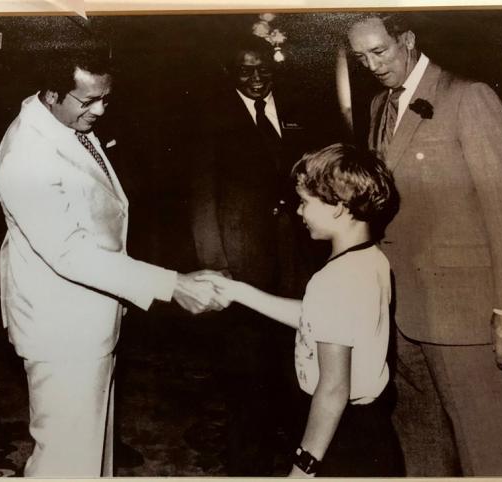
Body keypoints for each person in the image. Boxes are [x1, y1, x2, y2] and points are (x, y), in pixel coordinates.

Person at [0, 51, 221, 477]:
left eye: (105, 98)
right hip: (62, 329)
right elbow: (70, 252)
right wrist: (172, 284)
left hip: (85, 320)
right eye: (88, 100)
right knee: (65, 462)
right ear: (50, 93)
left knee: (89, 456)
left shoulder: (62, 124)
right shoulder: (28, 154)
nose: (100, 109)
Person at [346, 13, 502, 476]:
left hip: (465, 313)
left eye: (380, 51)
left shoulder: (467, 97)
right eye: (361, 57)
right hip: (400, 312)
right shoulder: (378, 105)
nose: (372, 64)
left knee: (496, 452)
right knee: (423, 451)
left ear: (407, 40)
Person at [200, 143, 403, 477]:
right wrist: (238, 292)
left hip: (342, 439)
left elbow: (334, 389)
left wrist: (303, 467)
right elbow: (317, 319)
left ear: (338, 207)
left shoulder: (334, 280)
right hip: (368, 430)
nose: (298, 212)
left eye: (306, 202)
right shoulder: (370, 259)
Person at [189, 34, 341, 475]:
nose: (257, 79)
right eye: (245, 71)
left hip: (301, 258)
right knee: (247, 381)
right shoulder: (209, 118)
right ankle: (247, 468)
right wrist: (216, 268)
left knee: (302, 368)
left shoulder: (301, 108)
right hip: (242, 265)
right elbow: (202, 200)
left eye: (264, 70)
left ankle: (303, 461)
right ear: (228, 72)